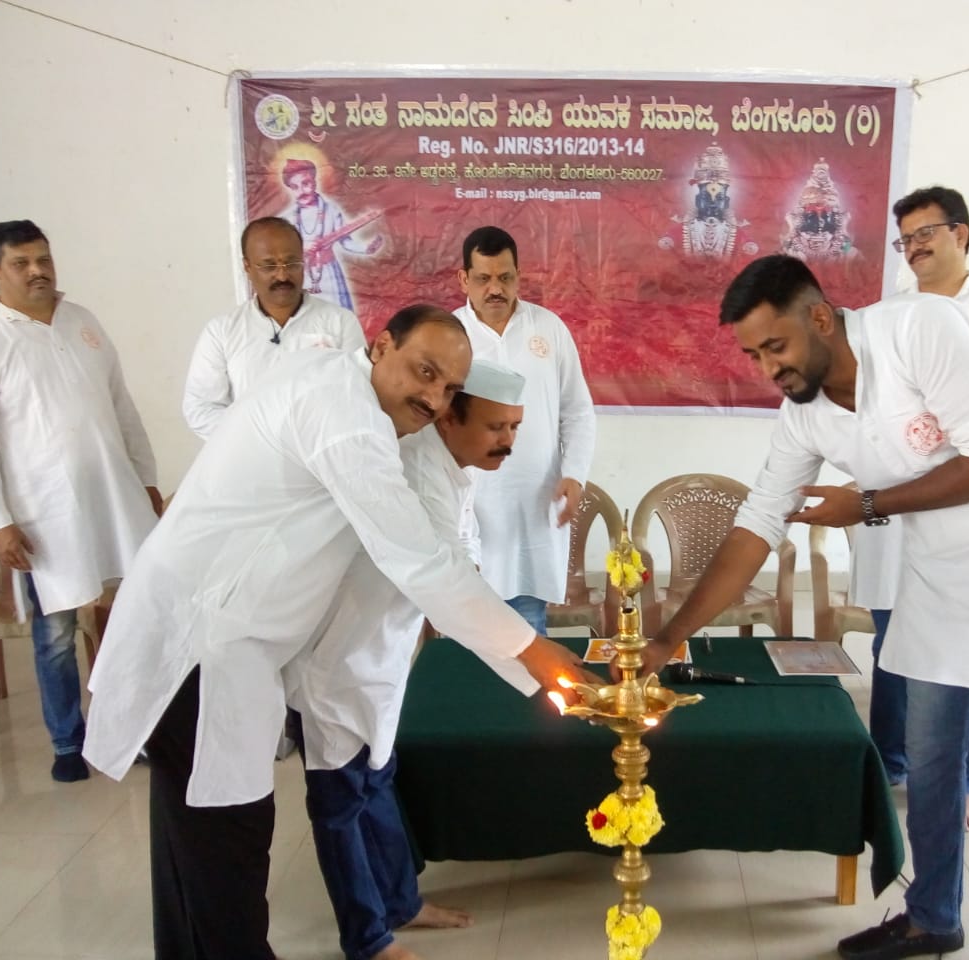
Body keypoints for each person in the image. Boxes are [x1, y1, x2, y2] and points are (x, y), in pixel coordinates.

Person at [637, 256, 969, 960]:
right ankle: (933, 917)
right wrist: (668, 638)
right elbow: (757, 524)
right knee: (932, 760)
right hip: (945, 579)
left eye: (776, 346)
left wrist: (867, 504)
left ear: (821, 318)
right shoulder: (805, 417)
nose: (769, 369)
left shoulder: (920, 329)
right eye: (754, 355)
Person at [83, 306, 593, 960]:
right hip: (201, 642)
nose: (434, 398)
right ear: (380, 347)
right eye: (424, 372)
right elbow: (419, 561)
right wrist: (535, 651)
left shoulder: (357, 405)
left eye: (447, 387)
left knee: (199, 845)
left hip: (229, 642)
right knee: (227, 843)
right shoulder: (344, 415)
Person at [283, 357, 527, 960]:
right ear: (448, 419)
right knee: (340, 800)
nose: (508, 441)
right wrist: (534, 662)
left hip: (380, 652)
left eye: (515, 427)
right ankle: (367, 939)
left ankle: (400, 903)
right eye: (496, 426)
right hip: (333, 656)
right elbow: (441, 581)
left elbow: (458, 562)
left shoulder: (451, 469)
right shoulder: (412, 469)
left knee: (378, 775)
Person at [855, 185, 969, 830]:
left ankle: (968, 776)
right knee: (894, 645)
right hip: (899, 504)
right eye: (905, 239)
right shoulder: (891, 315)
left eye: (925, 234)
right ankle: (889, 764)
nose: (914, 248)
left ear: (961, 233)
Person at [0, 220, 160, 782]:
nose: (37, 271)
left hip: (114, 499)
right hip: (44, 514)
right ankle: (69, 742)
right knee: (56, 634)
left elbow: (122, 407)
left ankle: (129, 733)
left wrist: (145, 479)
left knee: (130, 620)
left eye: (43, 259)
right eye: (21, 263)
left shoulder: (82, 321)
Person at [452, 225, 597, 636]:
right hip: (471, 507)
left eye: (505, 277)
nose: (495, 289)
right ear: (463, 279)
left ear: (519, 275)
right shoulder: (448, 334)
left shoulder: (548, 328)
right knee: (470, 635)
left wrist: (574, 475)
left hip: (535, 505)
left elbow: (578, 411)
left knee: (528, 631)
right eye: (483, 278)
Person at [182, 216, 366, 438]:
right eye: (269, 265)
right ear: (247, 266)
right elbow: (201, 408)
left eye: (292, 263)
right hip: (248, 453)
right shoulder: (222, 332)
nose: (282, 275)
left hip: (320, 452)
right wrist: (261, 436)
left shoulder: (340, 323)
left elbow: (358, 397)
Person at [281, 158, 385, 311]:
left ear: (314, 182)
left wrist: (366, 248)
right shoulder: (287, 219)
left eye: (306, 183)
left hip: (329, 274)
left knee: (337, 315)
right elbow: (280, 251)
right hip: (300, 276)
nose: (302, 191)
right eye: (295, 187)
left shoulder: (331, 210)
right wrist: (301, 248)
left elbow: (345, 241)